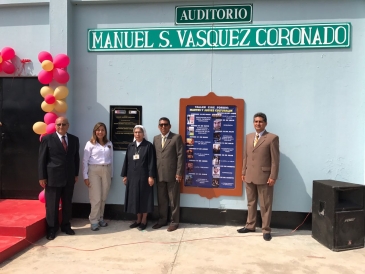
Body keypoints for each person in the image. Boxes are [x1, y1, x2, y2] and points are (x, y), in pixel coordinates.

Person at [238, 112, 280, 241]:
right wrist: (243, 172)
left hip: (264, 177)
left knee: (265, 205)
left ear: (265, 123)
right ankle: (250, 225)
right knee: (251, 203)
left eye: (260, 121)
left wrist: (273, 176)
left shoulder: (272, 138)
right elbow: (246, 156)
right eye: (256, 121)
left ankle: (266, 230)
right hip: (249, 175)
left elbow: (275, 160)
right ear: (253, 123)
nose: (258, 124)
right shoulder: (249, 137)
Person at [38, 117, 80, 240]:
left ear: (68, 125)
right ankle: (52, 229)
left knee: (67, 203)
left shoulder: (74, 139)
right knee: (52, 205)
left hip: (69, 177)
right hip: (52, 178)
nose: (61, 126)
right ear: (55, 126)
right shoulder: (47, 139)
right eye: (58, 124)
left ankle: (66, 226)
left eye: (63, 124)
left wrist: (76, 174)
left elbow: (75, 158)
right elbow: (42, 159)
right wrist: (42, 176)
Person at [152, 117, 184, 232]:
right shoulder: (155, 139)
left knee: (173, 199)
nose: (163, 127)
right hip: (159, 174)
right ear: (158, 127)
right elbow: (154, 157)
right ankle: (162, 220)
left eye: (165, 124)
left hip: (173, 174)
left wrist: (179, 172)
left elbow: (180, 155)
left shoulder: (176, 138)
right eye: (161, 125)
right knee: (161, 199)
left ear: (170, 126)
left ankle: (174, 222)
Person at [121, 125, 155, 231]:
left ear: (143, 133)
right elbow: (126, 161)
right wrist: (125, 175)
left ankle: (144, 220)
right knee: (135, 198)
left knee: (144, 198)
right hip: (133, 177)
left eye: (139, 132)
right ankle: (138, 219)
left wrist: (151, 176)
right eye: (135, 132)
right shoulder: (130, 146)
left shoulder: (148, 146)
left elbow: (151, 162)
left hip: (145, 177)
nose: (137, 134)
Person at [83, 122, 113, 231]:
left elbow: (112, 160)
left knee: (103, 197)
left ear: (105, 132)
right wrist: (85, 176)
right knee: (95, 198)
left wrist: (111, 175)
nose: (100, 132)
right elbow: (85, 160)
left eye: (102, 130)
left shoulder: (109, 143)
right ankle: (93, 220)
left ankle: (100, 218)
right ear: (95, 131)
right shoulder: (90, 144)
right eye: (98, 130)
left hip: (107, 170)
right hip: (94, 171)